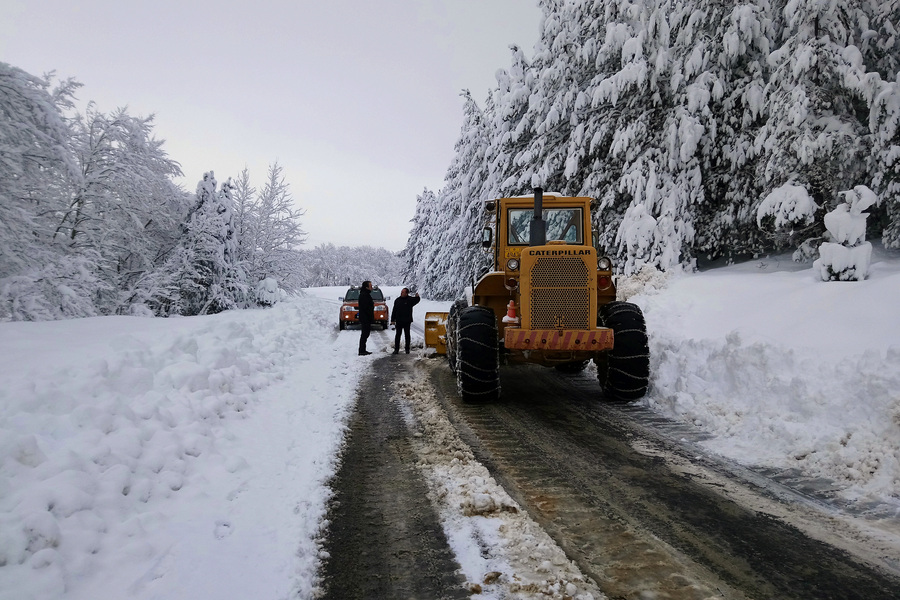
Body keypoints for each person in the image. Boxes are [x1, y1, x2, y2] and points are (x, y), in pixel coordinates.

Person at [390, 287, 420, 354]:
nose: (401, 293)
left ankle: (407, 349)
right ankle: (396, 349)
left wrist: (417, 297)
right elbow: (394, 310)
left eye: (403, 292)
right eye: (401, 292)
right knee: (398, 335)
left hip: (407, 321)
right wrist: (392, 319)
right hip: (399, 321)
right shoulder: (397, 300)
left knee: (407, 335)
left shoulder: (410, 300)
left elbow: (417, 300)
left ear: (406, 293)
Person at [357, 280, 375, 356]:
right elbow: (366, 308)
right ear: (366, 287)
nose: (372, 287)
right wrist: (369, 316)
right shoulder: (364, 295)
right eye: (370, 286)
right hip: (365, 318)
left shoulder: (366, 294)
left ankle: (363, 349)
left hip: (366, 317)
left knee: (365, 334)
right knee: (364, 334)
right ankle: (362, 350)